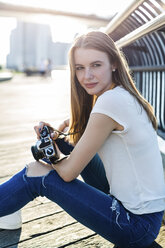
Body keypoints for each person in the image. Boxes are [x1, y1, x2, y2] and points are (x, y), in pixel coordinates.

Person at [0, 31, 165, 248]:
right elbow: (83, 139)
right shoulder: (122, 95)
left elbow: (68, 173)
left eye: (96, 65)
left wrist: (53, 155)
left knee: (35, 174)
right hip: (149, 214)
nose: (87, 76)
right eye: (80, 68)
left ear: (114, 63)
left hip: (135, 226)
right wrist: (58, 139)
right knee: (68, 145)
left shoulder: (110, 102)